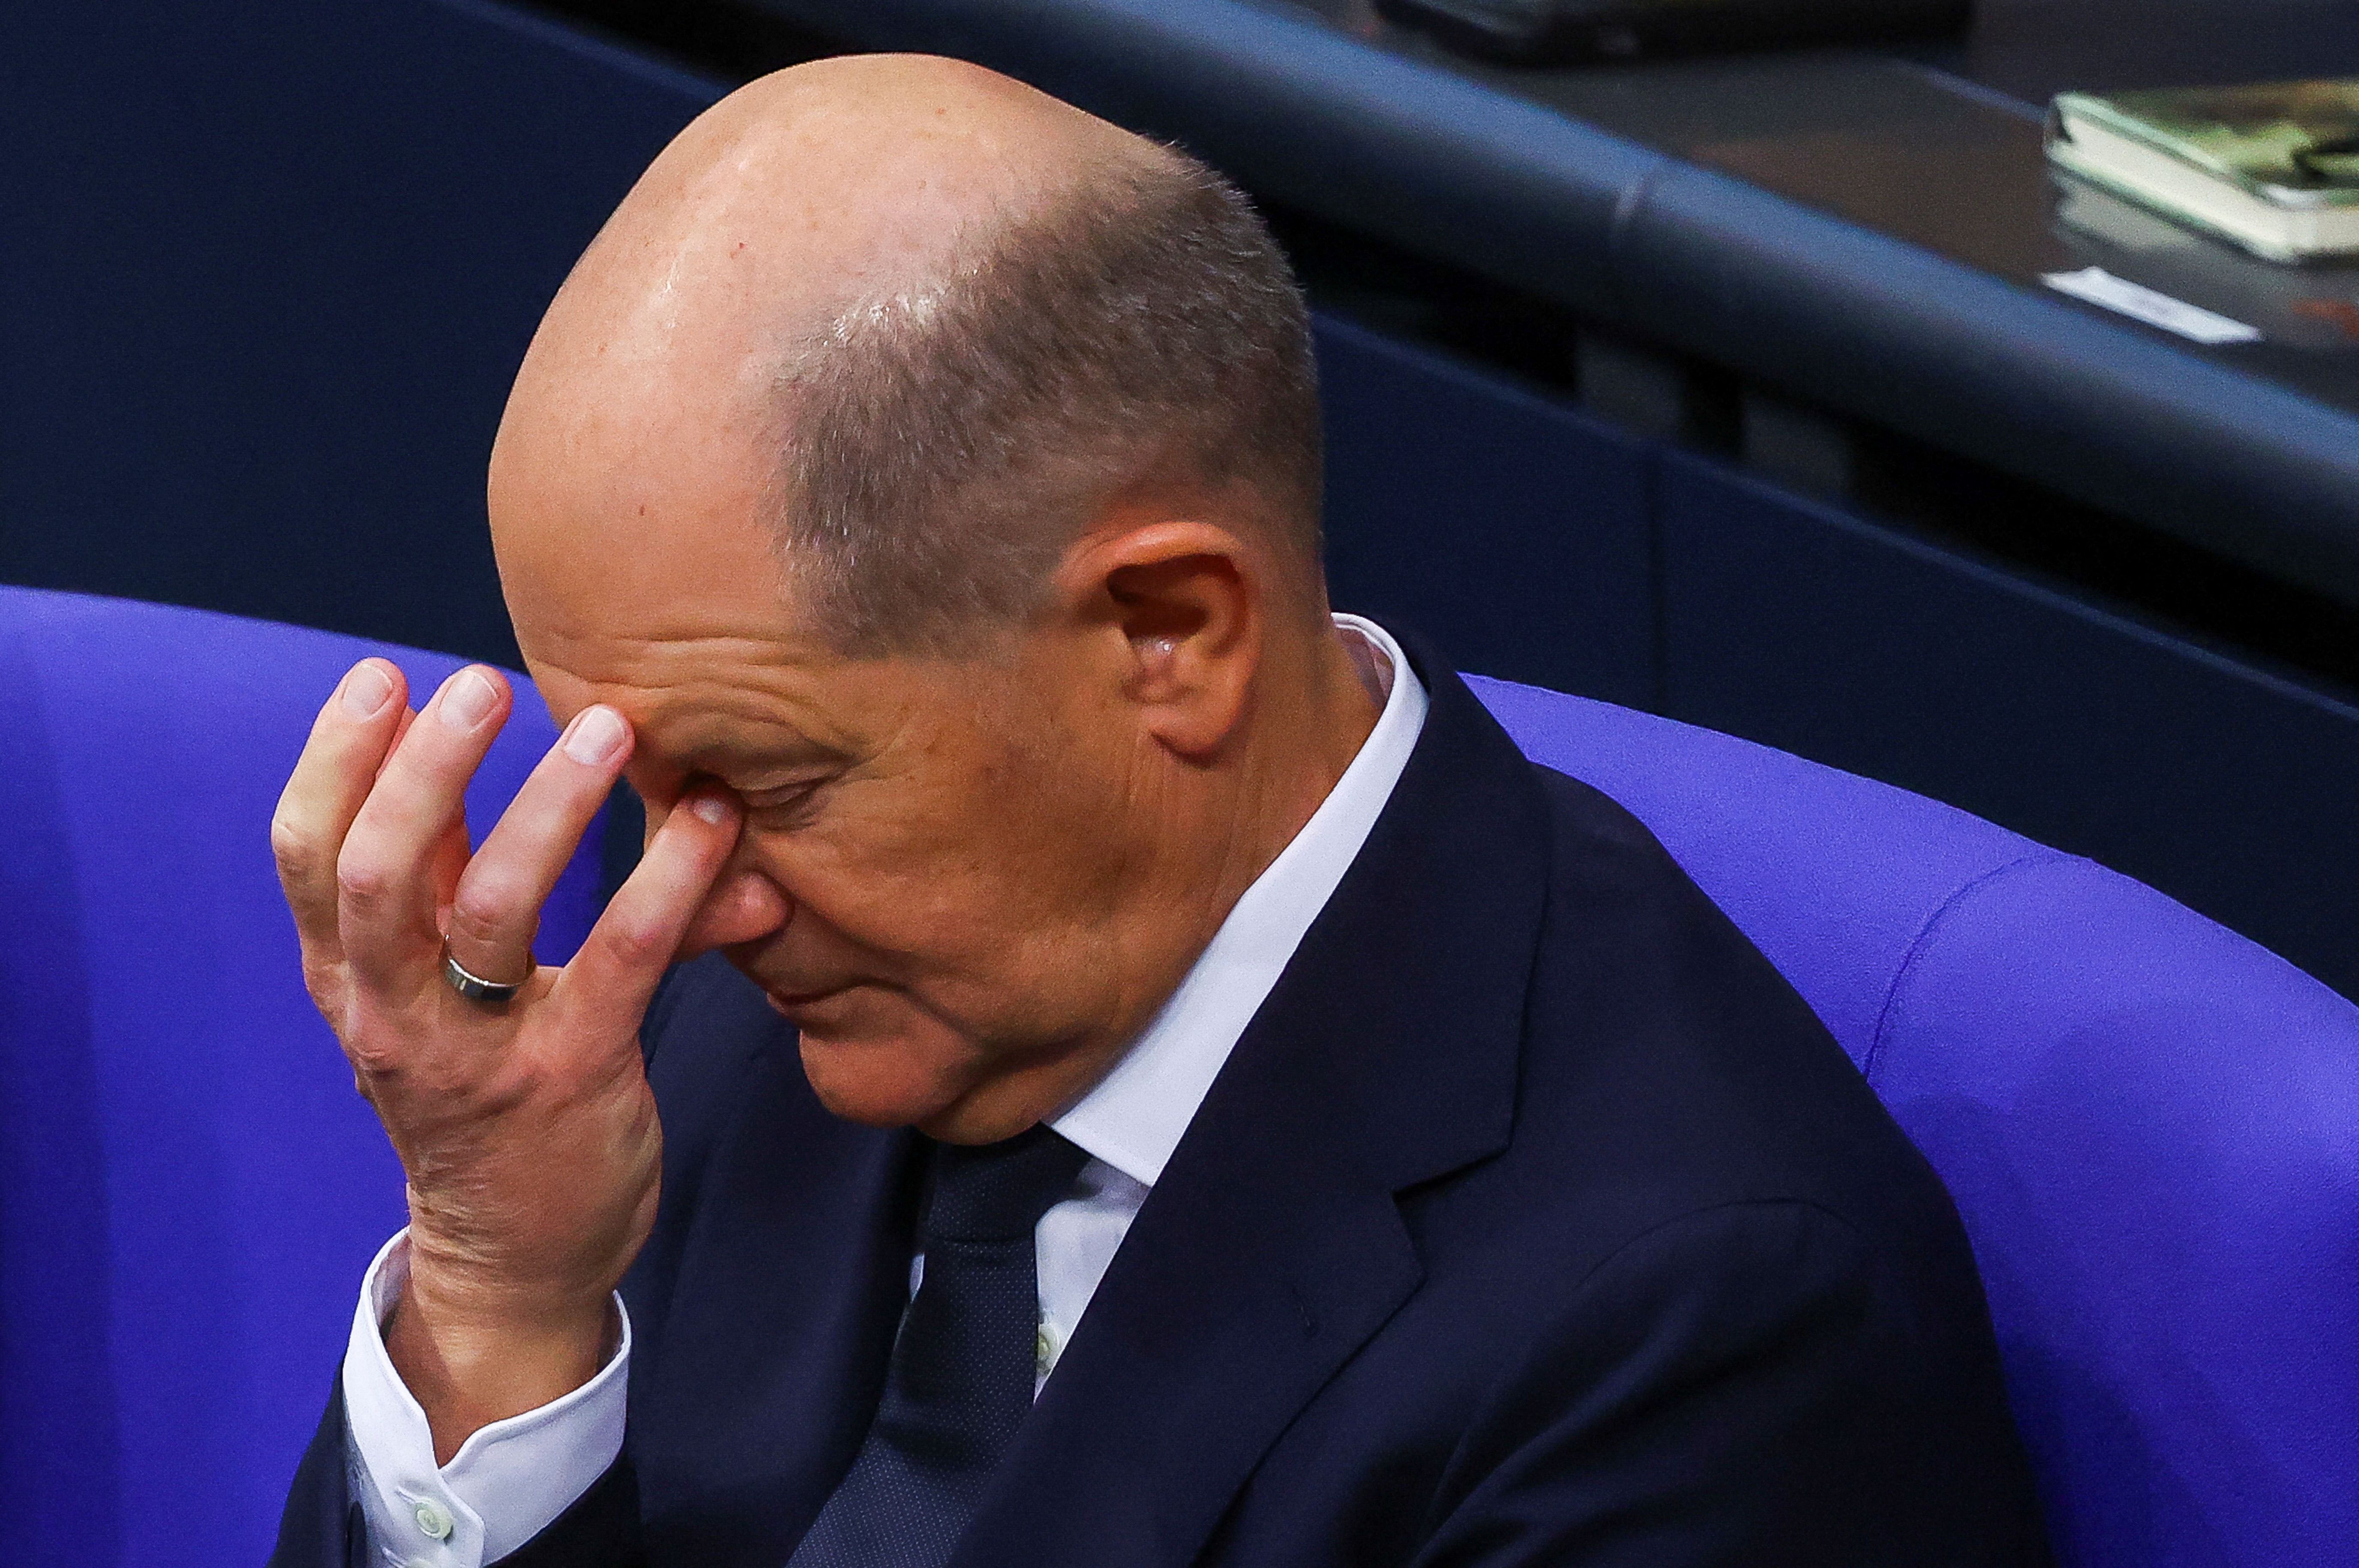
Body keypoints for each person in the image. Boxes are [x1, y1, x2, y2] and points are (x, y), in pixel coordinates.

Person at [268, 54, 2051, 1568]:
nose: (685, 892)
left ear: (1169, 633)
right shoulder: (759, 994)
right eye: (636, 784)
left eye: (764, 780)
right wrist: (502, 1294)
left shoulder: (1687, 1327)